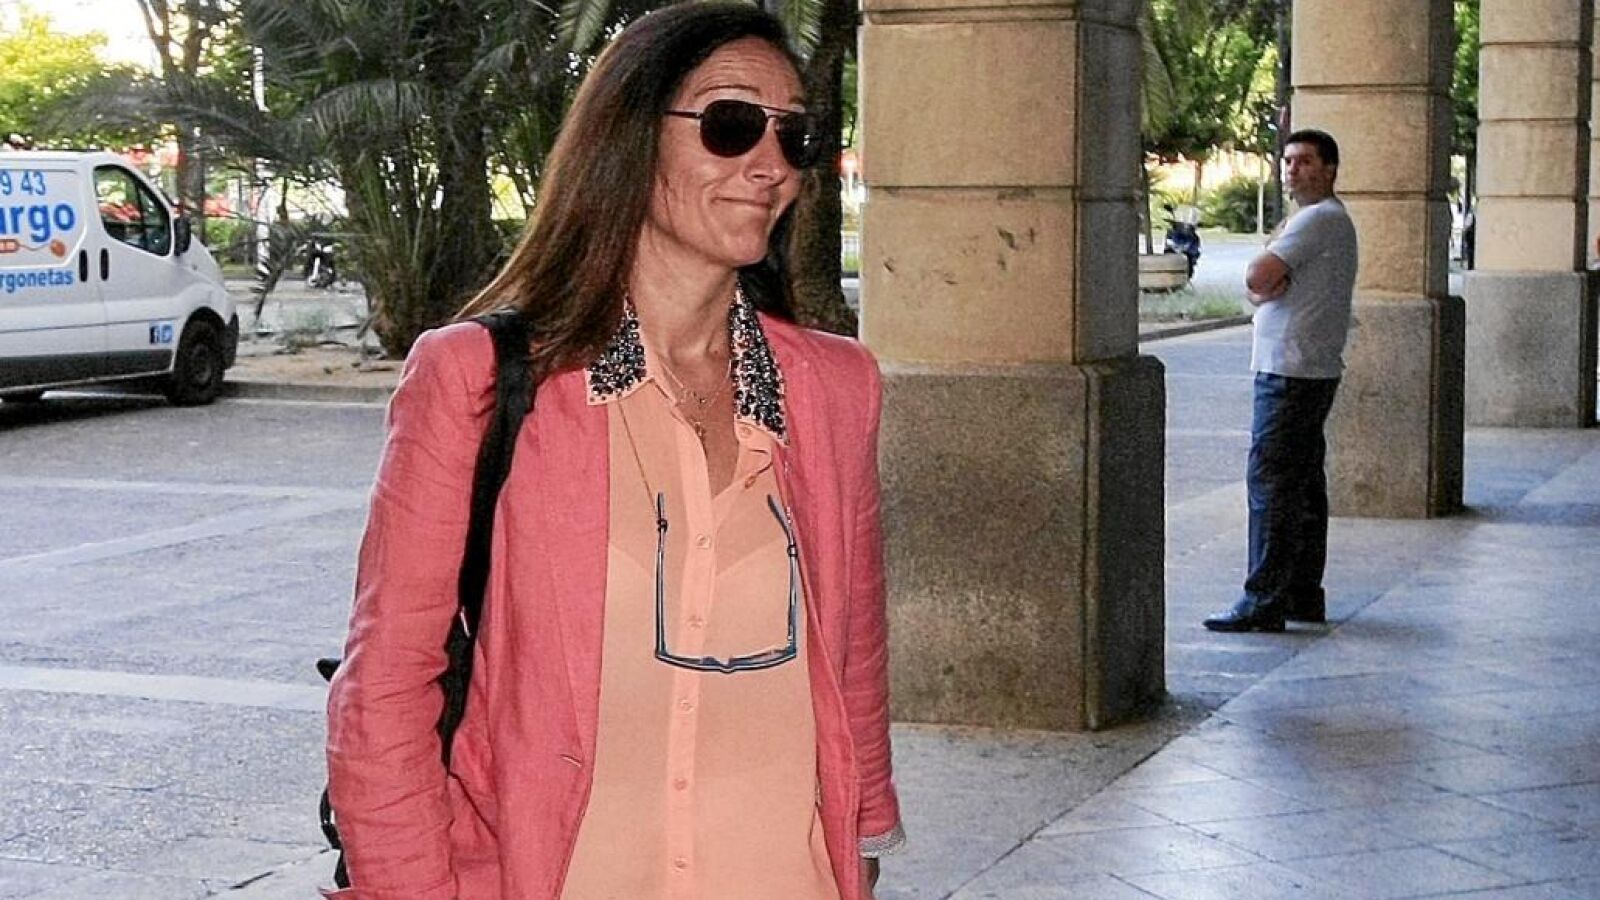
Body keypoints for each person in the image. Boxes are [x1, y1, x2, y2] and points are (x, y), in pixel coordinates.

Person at [323, 4, 904, 898]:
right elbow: (386, 691)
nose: (770, 165)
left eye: (795, 136)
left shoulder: (835, 388)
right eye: (731, 124)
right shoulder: (477, 380)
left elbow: (853, 653)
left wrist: (862, 845)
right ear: (631, 136)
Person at [1203, 129, 1358, 633]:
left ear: (1330, 169)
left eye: (1305, 161)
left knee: (1270, 484)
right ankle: (1301, 593)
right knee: (1303, 485)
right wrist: (1262, 289)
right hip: (1307, 368)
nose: (1293, 169)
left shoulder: (1317, 219)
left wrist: (1260, 287)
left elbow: (1258, 276)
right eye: (1288, 161)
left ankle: (1263, 599)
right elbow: (1263, 285)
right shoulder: (1327, 220)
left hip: (1289, 370)